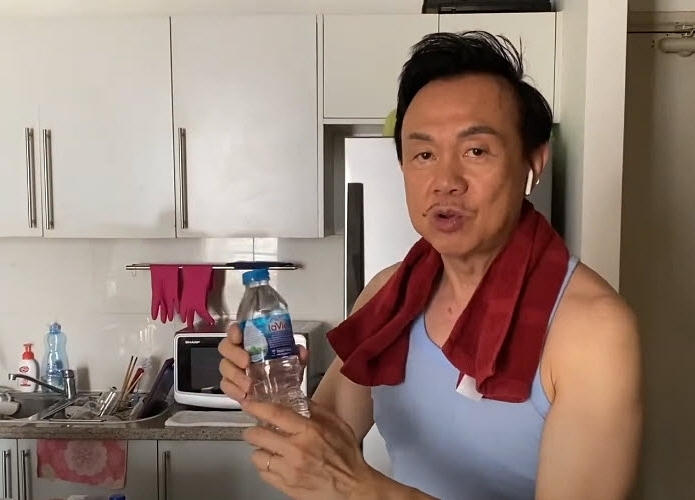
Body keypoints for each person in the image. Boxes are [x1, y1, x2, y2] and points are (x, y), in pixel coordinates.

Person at [219, 31, 641, 500]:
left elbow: (343, 481)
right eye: (423, 154)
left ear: (533, 164)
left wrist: (362, 489)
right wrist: (272, 392)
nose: (445, 181)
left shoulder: (592, 331)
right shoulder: (388, 294)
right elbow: (322, 444)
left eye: (475, 151)